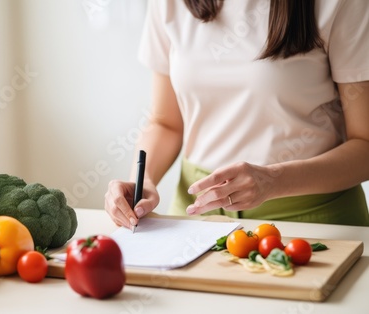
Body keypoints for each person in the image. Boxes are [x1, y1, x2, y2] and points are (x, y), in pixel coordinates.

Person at [104, 0, 369, 230]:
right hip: (195, 217)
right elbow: (165, 123)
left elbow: (365, 145)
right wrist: (143, 181)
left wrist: (274, 180)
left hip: (314, 221)